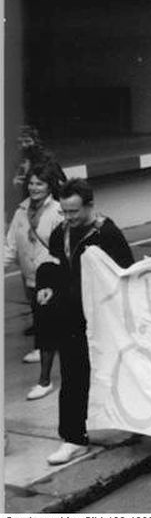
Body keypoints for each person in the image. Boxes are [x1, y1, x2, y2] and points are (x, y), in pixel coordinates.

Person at [38, 179, 133, 466]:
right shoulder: (61, 232)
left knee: (121, 371)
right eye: (64, 212)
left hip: (105, 318)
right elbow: (53, 265)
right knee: (72, 376)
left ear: (90, 206)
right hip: (71, 317)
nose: (68, 218)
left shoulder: (108, 234)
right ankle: (73, 438)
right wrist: (47, 285)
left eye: (74, 212)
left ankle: (137, 423)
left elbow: (125, 274)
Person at [5, 163, 64, 395]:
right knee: (39, 316)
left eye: (40, 183)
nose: (34, 187)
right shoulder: (21, 212)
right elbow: (10, 246)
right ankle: (41, 349)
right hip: (29, 276)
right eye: (31, 183)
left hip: (51, 277)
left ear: (49, 186)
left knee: (48, 323)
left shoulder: (58, 212)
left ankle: (44, 381)